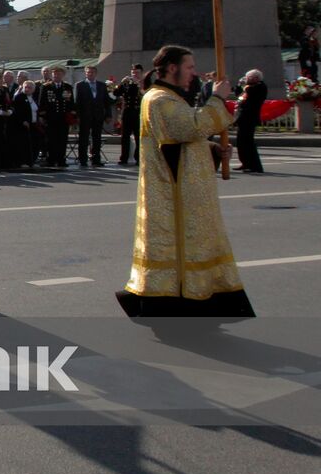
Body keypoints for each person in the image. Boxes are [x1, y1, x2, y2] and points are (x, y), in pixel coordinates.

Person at [116, 45, 254, 317]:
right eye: (189, 67)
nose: (195, 73)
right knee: (176, 249)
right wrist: (216, 99)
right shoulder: (158, 99)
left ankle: (199, 295)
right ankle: (174, 301)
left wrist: (213, 150)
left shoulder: (172, 98)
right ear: (171, 68)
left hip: (187, 193)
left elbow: (184, 143)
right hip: (171, 195)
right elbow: (189, 127)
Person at [74, 66, 112, 167]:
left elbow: (106, 102)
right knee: (84, 138)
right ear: (85, 73)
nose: (90, 74)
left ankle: (96, 159)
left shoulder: (102, 85)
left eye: (92, 72)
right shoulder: (80, 85)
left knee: (97, 138)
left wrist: (108, 115)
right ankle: (83, 159)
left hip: (98, 116)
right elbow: (77, 102)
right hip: (85, 116)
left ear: (96, 73)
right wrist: (77, 116)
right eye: (88, 72)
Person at [39, 66, 73, 169]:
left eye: (58, 74)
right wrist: (42, 116)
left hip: (63, 118)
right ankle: (51, 159)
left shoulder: (67, 87)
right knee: (51, 140)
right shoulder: (46, 87)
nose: (56, 76)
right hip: (51, 118)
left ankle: (61, 159)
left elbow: (71, 103)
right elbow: (42, 102)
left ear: (63, 75)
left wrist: (73, 116)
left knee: (62, 139)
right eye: (54, 74)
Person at [235, 69, 267, 173]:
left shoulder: (260, 87)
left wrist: (245, 85)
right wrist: (239, 86)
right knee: (240, 142)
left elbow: (251, 93)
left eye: (249, 77)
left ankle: (255, 166)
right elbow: (239, 95)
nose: (247, 79)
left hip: (250, 117)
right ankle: (245, 163)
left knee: (248, 142)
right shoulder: (248, 87)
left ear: (256, 78)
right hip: (243, 117)